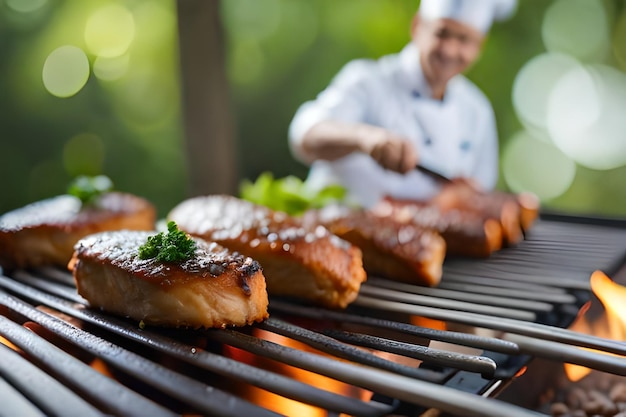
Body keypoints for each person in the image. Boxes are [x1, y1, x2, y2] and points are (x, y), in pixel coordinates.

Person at [288, 0, 517, 208]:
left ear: (479, 47)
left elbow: (479, 194)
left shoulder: (477, 110)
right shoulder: (367, 80)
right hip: (333, 229)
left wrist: (460, 196)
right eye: (442, 33)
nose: (449, 50)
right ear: (418, 26)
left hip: (422, 244)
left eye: (464, 40)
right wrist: (366, 139)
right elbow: (305, 135)